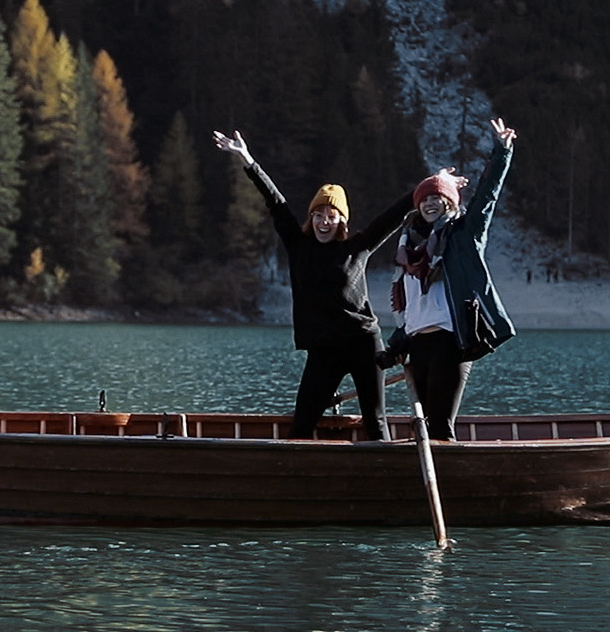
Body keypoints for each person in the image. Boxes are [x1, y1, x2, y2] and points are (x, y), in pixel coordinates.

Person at [215, 130, 414, 440]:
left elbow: (390, 218)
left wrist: (430, 187)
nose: (324, 221)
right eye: (318, 214)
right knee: (302, 423)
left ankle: (380, 479)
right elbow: (276, 203)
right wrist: (247, 160)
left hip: (363, 343)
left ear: (341, 221)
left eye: (331, 215)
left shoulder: (357, 247)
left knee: (375, 424)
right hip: (324, 349)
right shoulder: (298, 245)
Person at [383, 117, 518, 440]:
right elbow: (415, 307)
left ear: (448, 203)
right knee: (425, 427)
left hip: (450, 341)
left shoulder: (462, 236)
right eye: (425, 198)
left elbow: (487, 197)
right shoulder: (409, 246)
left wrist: (501, 152)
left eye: (437, 198)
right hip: (418, 344)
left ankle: (448, 485)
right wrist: (395, 345)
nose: (430, 203)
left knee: (440, 426)